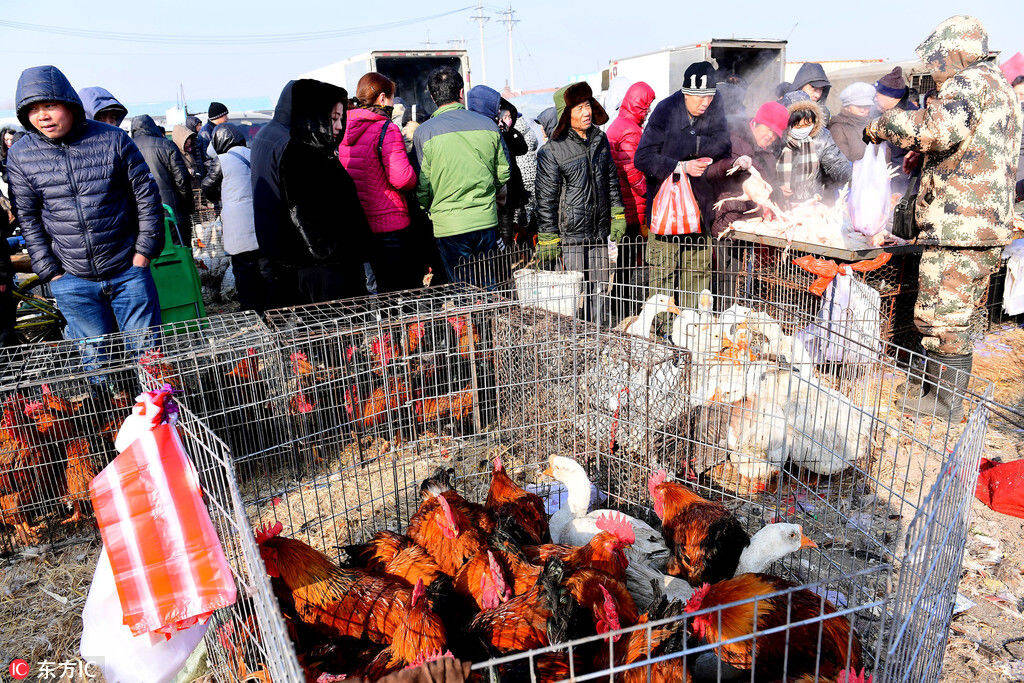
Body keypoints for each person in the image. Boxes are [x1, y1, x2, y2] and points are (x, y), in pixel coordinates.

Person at [864, 15, 1024, 420]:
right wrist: (932, 156)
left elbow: (939, 128)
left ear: (955, 52)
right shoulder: (1001, 89)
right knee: (962, 311)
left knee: (940, 316)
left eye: (938, 60)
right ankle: (937, 388)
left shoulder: (969, 82)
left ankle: (943, 403)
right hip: (986, 225)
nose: (935, 70)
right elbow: (970, 146)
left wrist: (882, 125)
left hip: (960, 225)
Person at [6, 65, 163, 353]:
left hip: (128, 269)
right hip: (71, 278)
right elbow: (28, 218)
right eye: (33, 109)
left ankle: (152, 399)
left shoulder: (112, 139)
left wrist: (143, 253)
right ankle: (110, 398)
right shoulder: (21, 155)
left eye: (50, 105)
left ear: (68, 103)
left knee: (148, 356)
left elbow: (147, 197)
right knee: (97, 361)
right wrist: (50, 271)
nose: (43, 115)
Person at [634, 61, 731, 308]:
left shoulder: (715, 106)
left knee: (697, 276)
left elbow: (724, 143)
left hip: (699, 210)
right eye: (698, 97)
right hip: (667, 211)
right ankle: (662, 333)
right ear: (685, 92)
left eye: (709, 96)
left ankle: (692, 330)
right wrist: (681, 165)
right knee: (663, 276)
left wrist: (704, 154)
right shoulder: (665, 110)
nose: (705, 103)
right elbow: (642, 157)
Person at [270, 79, 369, 304]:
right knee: (333, 334)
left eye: (340, 118)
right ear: (313, 118)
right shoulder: (300, 156)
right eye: (333, 119)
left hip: (337, 269)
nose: (339, 126)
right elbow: (301, 214)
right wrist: (330, 253)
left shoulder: (321, 153)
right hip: (325, 276)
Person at [534, 81, 625, 325]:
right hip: (570, 237)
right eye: (578, 108)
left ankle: (598, 336)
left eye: (587, 105)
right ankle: (571, 343)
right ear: (566, 114)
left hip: (598, 232)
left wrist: (617, 213)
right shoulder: (552, 151)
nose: (586, 112)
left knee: (600, 290)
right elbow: (546, 199)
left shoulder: (600, 139)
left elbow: (611, 180)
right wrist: (548, 237)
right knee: (569, 296)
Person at [413, 67, 510, 284]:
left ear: (432, 96)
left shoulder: (424, 132)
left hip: (449, 225)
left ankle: (470, 316)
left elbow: (423, 185)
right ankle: (488, 318)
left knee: (462, 287)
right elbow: (503, 172)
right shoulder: (488, 125)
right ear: (461, 92)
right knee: (487, 283)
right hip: (485, 219)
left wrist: (425, 207)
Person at [338, 72, 420, 293]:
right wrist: (415, 174)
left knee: (381, 289)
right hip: (391, 222)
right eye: (392, 98)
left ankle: (386, 328)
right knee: (404, 290)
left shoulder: (344, 131)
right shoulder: (387, 128)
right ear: (383, 98)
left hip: (362, 223)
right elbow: (402, 179)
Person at [706, 101, 788, 305]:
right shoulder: (733, 140)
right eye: (768, 130)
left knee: (742, 275)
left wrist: (777, 192)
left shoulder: (767, 154)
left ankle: (735, 312)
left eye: (775, 134)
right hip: (728, 219)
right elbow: (713, 171)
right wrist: (735, 165)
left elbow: (769, 184)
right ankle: (720, 315)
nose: (770, 137)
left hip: (750, 224)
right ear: (756, 123)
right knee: (724, 273)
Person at [200, 123, 265, 311]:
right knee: (261, 264)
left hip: (238, 223)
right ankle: (265, 303)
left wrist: (215, 197)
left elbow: (208, 186)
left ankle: (249, 306)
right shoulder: (252, 153)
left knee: (242, 267)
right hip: (258, 217)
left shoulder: (223, 160)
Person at [467, 85, 527, 246]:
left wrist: (507, 131)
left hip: (500, 194)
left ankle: (505, 254)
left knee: (504, 227)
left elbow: (521, 149)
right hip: (490, 196)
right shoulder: (490, 130)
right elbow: (502, 168)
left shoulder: (501, 131)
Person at [777, 92, 852, 205]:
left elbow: (836, 163)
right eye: (798, 125)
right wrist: (776, 189)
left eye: (807, 124)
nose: (803, 129)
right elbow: (765, 169)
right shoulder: (776, 137)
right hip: (778, 203)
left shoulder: (822, 137)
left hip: (811, 203)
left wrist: (856, 176)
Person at [130, 114, 193, 244]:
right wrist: (187, 206)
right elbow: (182, 180)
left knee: (153, 257)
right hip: (172, 211)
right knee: (180, 252)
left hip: (142, 216)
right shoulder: (167, 145)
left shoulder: (126, 148)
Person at [608, 81, 656, 237]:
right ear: (638, 104)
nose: (649, 110)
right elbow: (632, 171)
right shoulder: (631, 131)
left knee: (626, 254)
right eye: (647, 105)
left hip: (622, 201)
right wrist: (649, 191)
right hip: (633, 205)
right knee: (634, 255)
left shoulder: (618, 124)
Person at [828, 82, 876, 162]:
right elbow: (841, 162)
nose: (863, 110)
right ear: (847, 107)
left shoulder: (873, 124)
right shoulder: (838, 129)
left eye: (867, 106)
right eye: (859, 106)